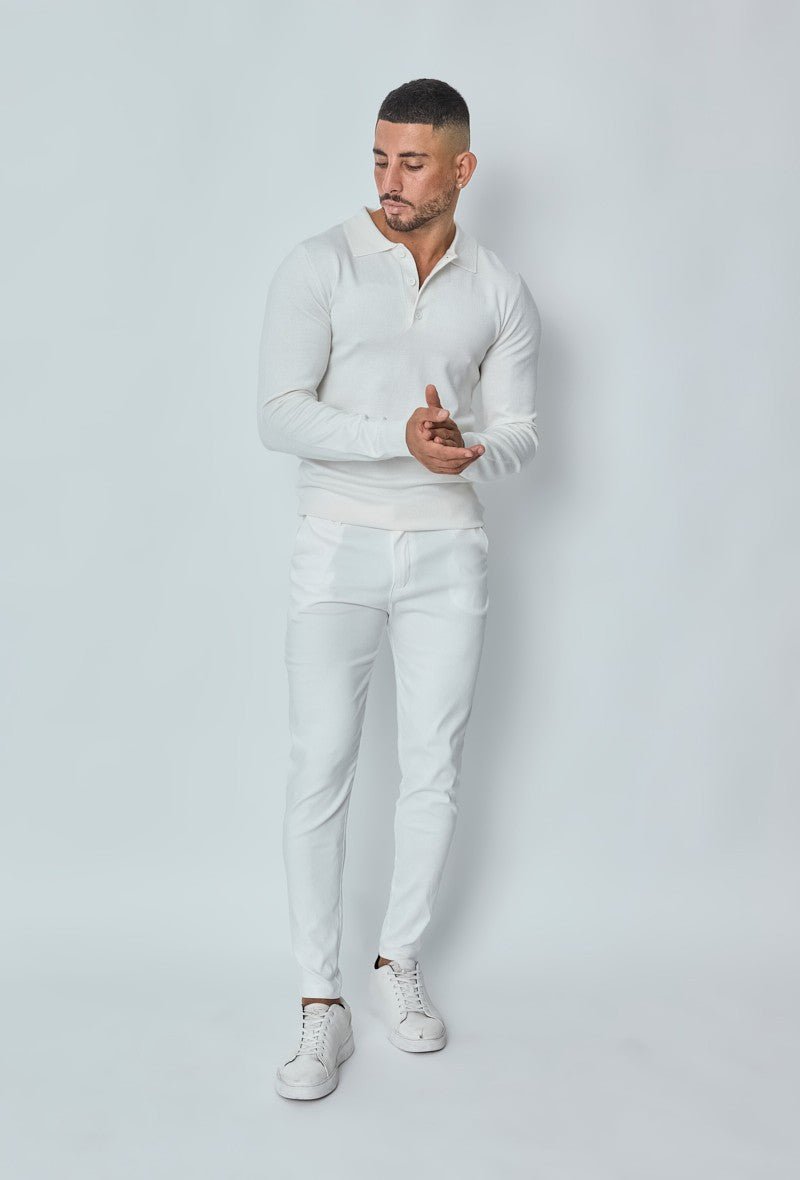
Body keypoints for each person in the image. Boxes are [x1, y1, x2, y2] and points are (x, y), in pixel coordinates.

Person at [257, 77, 542, 1101]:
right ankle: (318, 1001)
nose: (389, 179)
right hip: (336, 541)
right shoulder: (319, 264)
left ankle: (397, 961)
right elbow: (279, 413)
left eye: (412, 162)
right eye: (380, 157)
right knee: (320, 765)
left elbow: (520, 431)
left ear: (461, 169)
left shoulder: (498, 288)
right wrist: (397, 439)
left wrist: (469, 450)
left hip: (446, 550)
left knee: (433, 766)